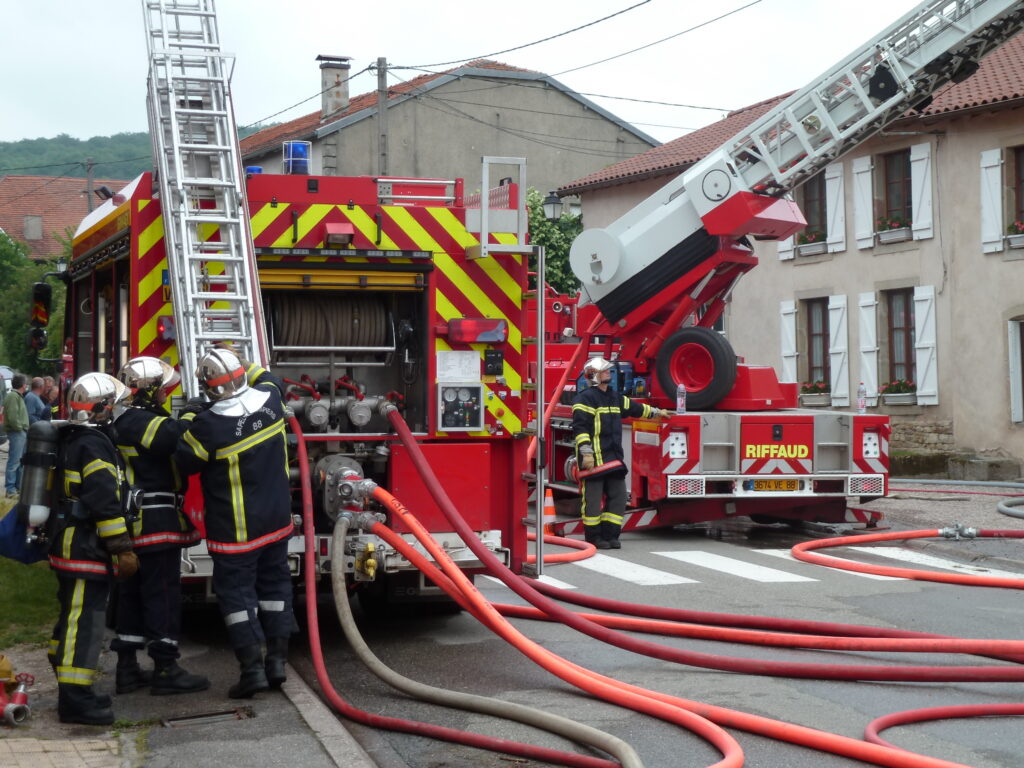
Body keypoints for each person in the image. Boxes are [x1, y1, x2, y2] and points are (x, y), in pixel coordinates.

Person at [174, 347, 296, 698]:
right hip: (277, 522)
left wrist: (187, 418)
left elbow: (185, 461)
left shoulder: (208, 426)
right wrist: (241, 359)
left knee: (238, 600)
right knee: (276, 590)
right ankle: (277, 664)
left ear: (208, 388)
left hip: (236, 532)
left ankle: (252, 671)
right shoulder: (273, 399)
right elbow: (264, 376)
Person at [110, 357, 208, 696]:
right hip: (153, 519)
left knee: (132, 594)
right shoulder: (138, 421)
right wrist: (196, 412)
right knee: (162, 594)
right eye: (164, 389)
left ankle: (127, 669)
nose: (167, 395)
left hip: (138, 520)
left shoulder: (124, 417)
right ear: (148, 391)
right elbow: (173, 438)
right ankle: (166, 668)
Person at [48, 372, 137, 725]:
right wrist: (121, 547)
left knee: (71, 617)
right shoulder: (93, 444)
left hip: (69, 541)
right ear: (101, 409)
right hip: (84, 545)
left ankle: (67, 677)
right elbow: (103, 499)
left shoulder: (76, 436)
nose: (117, 409)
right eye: (113, 404)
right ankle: (74, 699)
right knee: (83, 622)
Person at [572, 357, 671, 549]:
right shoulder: (584, 400)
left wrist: (657, 412)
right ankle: (594, 537)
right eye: (605, 371)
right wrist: (586, 453)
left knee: (618, 497)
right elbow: (581, 428)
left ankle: (611, 535)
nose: (609, 372)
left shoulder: (614, 396)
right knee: (592, 501)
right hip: (594, 458)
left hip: (613, 457)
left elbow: (636, 408)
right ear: (593, 376)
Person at [3, 374, 29, 497]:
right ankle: (11, 489)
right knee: (14, 462)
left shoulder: (16, 396)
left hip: (19, 432)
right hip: (17, 432)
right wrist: (20, 428)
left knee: (19, 461)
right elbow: (13, 417)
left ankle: (17, 487)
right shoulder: (14, 396)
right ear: (23, 385)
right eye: (26, 383)